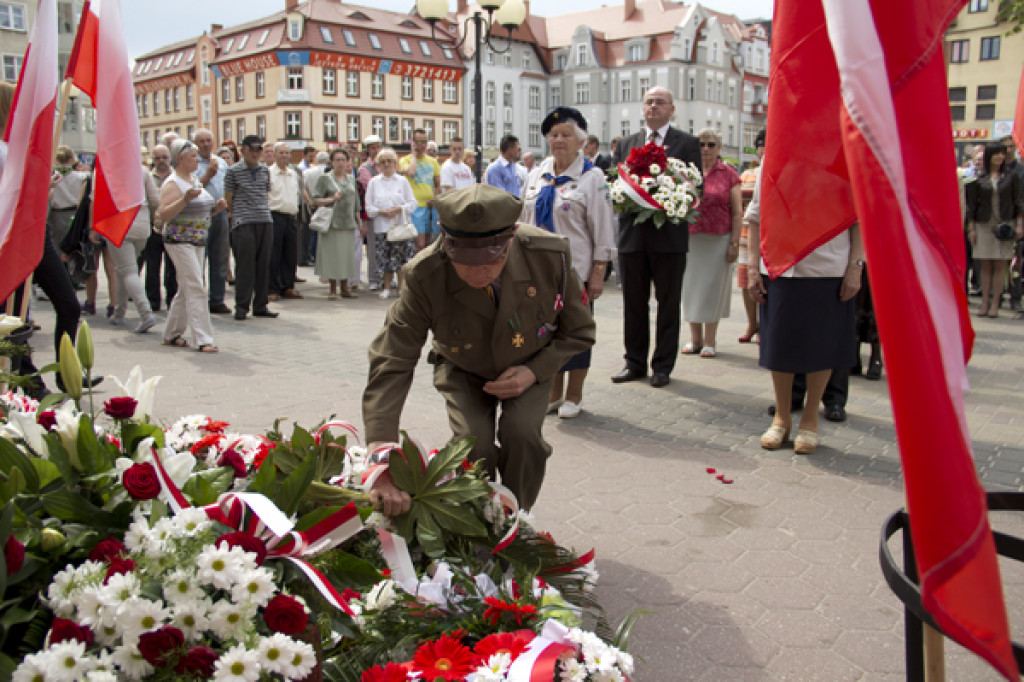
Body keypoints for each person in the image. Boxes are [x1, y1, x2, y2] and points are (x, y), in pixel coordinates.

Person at [362, 184, 596, 514]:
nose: (478, 272)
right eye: (465, 262)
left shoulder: (549, 256)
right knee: (472, 444)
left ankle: (516, 518)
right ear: (446, 242)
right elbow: (393, 357)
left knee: (523, 435)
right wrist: (381, 450)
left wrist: (534, 371)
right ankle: (475, 518)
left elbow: (580, 331)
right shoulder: (425, 274)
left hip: (530, 362)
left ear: (511, 239)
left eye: (490, 260)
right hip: (463, 367)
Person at [746, 170, 865, 455]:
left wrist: (856, 266)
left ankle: (810, 418)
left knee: (821, 345)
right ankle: (782, 417)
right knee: (779, 343)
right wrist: (752, 266)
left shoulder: (840, 160)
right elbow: (756, 216)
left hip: (827, 266)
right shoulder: (774, 159)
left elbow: (858, 218)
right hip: (779, 263)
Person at [520, 107, 615, 419]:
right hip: (536, 271)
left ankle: (574, 394)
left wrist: (599, 271)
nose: (558, 140)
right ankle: (553, 391)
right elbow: (522, 220)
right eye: (554, 135)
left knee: (574, 332)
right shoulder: (536, 175)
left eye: (566, 135)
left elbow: (602, 229)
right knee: (544, 333)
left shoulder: (592, 178)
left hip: (575, 273)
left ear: (581, 142)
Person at [611, 86, 702, 388]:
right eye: (649, 102)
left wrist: (669, 198)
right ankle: (634, 362)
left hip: (669, 238)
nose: (654, 107)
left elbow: (695, 188)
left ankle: (662, 365)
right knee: (633, 304)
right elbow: (617, 185)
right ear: (642, 108)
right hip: (632, 237)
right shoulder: (626, 144)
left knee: (668, 304)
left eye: (660, 102)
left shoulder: (687, 143)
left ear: (672, 109)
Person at [156, 139, 227, 353]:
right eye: (193, 156)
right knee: (196, 285)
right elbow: (164, 215)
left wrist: (216, 209)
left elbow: (199, 211)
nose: (197, 160)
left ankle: (171, 333)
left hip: (197, 239)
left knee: (186, 287)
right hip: (179, 240)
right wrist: (184, 199)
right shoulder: (172, 183)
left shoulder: (194, 179)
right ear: (180, 159)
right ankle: (203, 339)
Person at [681, 128, 741, 358]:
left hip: (718, 239)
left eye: (711, 144)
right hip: (690, 238)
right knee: (690, 288)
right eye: (701, 144)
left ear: (719, 148)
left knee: (712, 290)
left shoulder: (729, 174)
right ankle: (694, 338)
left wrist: (734, 243)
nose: (705, 149)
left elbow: (737, 212)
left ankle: (710, 340)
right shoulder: (687, 172)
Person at [965, 142, 1024, 317]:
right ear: (989, 155)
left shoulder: (1011, 177)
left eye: (1002, 154)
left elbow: (1018, 201)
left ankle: (995, 304)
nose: (1000, 156)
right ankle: (985, 302)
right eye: (997, 153)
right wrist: (971, 228)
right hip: (983, 224)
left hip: (1005, 225)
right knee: (984, 264)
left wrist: (1019, 224)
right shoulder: (978, 178)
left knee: (1000, 264)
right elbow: (971, 206)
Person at [224, 136, 278, 321]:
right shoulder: (233, 171)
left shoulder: (264, 170)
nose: (255, 154)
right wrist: (236, 215)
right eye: (252, 150)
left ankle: (261, 305)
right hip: (244, 221)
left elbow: (265, 193)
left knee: (263, 265)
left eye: (258, 150)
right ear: (243, 150)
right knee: (245, 266)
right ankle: (241, 306)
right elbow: (228, 197)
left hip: (264, 219)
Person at [108, 160, 160, 333]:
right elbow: (154, 200)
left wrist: (93, 227)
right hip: (141, 225)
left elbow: (96, 198)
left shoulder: (108, 169)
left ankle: (145, 314)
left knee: (128, 270)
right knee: (124, 269)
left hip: (118, 224)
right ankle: (119, 312)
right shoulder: (143, 170)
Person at [364, 147, 417, 299]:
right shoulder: (374, 182)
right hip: (382, 227)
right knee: (384, 258)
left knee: (401, 258)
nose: (386, 164)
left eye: (389, 161)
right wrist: (381, 212)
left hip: (400, 227)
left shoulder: (402, 181)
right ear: (379, 164)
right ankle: (386, 287)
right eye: (383, 161)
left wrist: (399, 208)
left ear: (395, 163)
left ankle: (401, 287)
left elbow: (413, 203)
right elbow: (368, 208)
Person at [312, 147, 361, 299]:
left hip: (348, 222)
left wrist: (359, 221)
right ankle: (333, 289)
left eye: (343, 160)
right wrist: (331, 199)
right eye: (337, 160)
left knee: (346, 257)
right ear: (332, 162)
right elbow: (315, 199)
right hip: (332, 224)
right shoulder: (325, 178)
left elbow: (356, 203)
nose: (340, 163)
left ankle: (345, 287)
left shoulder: (351, 179)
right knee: (332, 256)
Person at [193, 129, 231, 315]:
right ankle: (198, 300)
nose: (205, 144)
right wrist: (207, 175)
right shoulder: (192, 163)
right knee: (200, 259)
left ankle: (217, 299)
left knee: (220, 258)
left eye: (208, 140)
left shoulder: (221, 163)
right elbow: (191, 189)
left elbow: (228, 186)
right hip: (199, 215)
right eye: (201, 141)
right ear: (195, 144)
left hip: (220, 214)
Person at [738, 129, 765, 343]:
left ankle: (763, 326)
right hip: (746, 235)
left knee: (765, 282)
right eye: (761, 144)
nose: (764, 148)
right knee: (746, 281)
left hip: (768, 236)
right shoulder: (747, 174)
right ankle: (751, 322)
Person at [268, 142, 303, 301]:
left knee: (290, 254)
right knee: (274, 254)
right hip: (275, 215)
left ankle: (288, 287)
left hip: (291, 216)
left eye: (287, 153)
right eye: (281, 152)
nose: (284, 156)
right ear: (274, 155)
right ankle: (272, 288)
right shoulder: (269, 173)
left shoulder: (293, 173)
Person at [144, 144, 177, 311]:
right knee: (152, 267)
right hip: (153, 227)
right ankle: (153, 300)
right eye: (157, 158)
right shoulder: (148, 178)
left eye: (164, 157)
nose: (161, 160)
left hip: (172, 226)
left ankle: (172, 299)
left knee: (172, 267)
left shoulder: (176, 177)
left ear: (169, 158)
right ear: (153, 160)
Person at [399, 129, 442, 253]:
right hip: (415, 207)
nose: (422, 145)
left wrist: (435, 197)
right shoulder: (405, 160)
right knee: (419, 244)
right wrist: (414, 154)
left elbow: (437, 185)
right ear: (413, 143)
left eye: (424, 142)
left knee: (428, 244)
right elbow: (411, 172)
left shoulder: (432, 161)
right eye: (419, 142)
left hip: (429, 207)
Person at [358, 135, 384, 290]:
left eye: (378, 147)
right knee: (373, 247)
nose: (376, 150)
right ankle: (374, 278)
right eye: (373, 148)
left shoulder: (385, 164)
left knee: (386, 246)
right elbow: (370, 188)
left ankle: (386, 277)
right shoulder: (365, 168)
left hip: (387, 212)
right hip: (373, 212)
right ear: (367, 150)